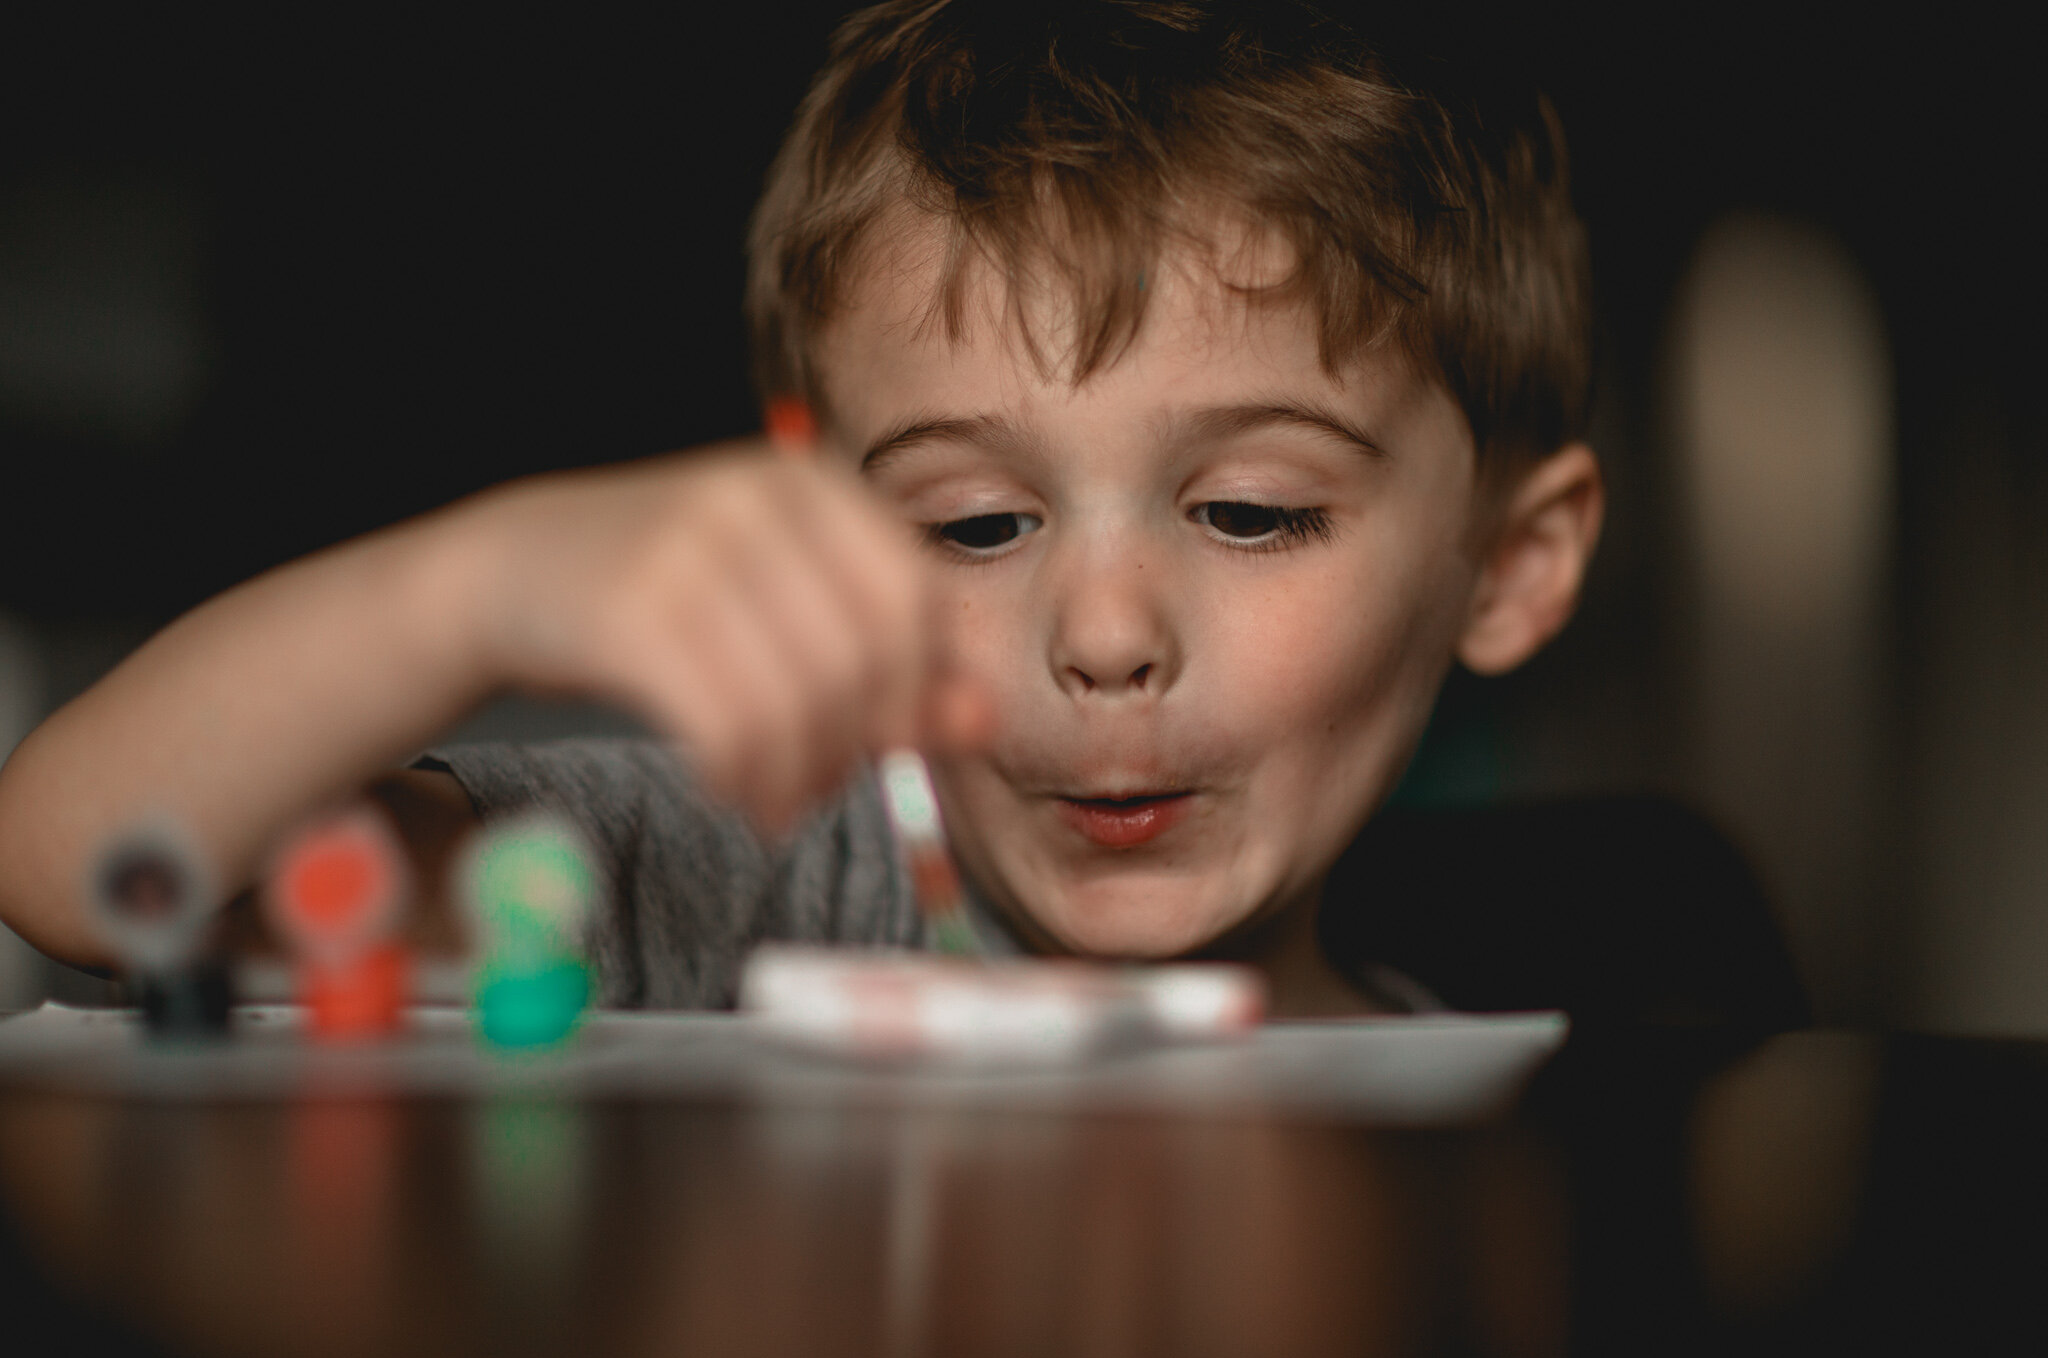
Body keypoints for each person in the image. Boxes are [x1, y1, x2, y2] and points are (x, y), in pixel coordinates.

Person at [0, 0, 1806, 1025]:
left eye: (1252, 512)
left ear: (1513, 561)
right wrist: (473, 590)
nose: (1102, 635)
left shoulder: (1516, 1129)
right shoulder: (763, 889)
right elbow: (89, 875)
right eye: (969, 525)